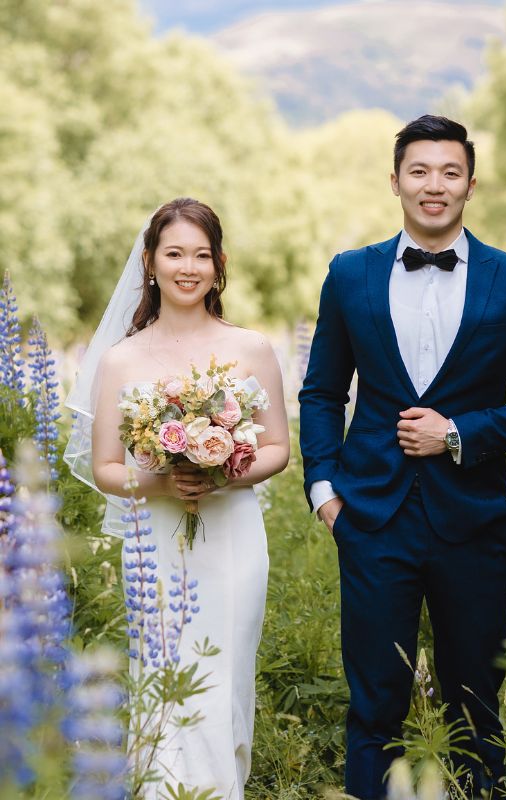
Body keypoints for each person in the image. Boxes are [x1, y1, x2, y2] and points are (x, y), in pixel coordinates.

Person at [298, 115, 506, 800]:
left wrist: (459, 433)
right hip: (370, 515)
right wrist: (324, 492)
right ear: (395, 181)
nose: (434, 185)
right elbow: (321, 391)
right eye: (419, 171)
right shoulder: (349, 274)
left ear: (471, 184)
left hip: (474, 521)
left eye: (450, 172)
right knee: (374, 703)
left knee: (475, 702)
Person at [68, 197, 290, 797]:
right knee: (163, 674)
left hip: (235, 533)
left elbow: (276, 449)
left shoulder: (252, 349)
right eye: (174, 254)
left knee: (225, 674)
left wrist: (225, 471)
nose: (187, 267)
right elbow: (107, 467)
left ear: (219, 265)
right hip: (155, 540)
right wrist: (163, 481)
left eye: (201, 255)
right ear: (150, 262)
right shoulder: (121, 358)